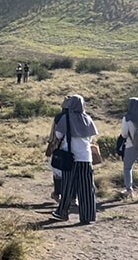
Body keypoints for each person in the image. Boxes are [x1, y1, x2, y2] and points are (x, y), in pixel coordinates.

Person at [50, 95, 98, 224]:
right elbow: (90, 138)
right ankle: (88, 216)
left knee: (67, 187)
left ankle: (62, 212)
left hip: (70, 158)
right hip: (86, 158)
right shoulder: (88, 118)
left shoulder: (66, 118)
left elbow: (58, 135)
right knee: (87, 188)